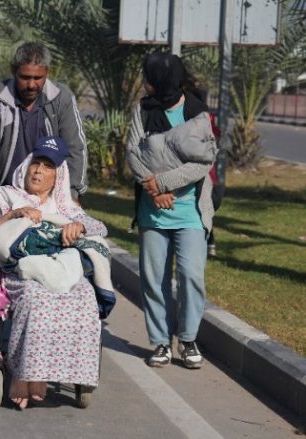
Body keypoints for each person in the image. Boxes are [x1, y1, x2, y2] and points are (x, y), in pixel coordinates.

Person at [0, 138, 107, 410]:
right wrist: (13, 215)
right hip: (20, 272)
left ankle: (60, 372)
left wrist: (78, 226)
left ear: (58, 176)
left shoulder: (64, 206)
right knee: (36, 299)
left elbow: (99, 228)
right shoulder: (6, 196)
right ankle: (25, 374)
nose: (38, 171)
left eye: (47, 167)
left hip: (60, 269)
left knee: (85, 296)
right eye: (36, 163)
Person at [125, 52, 217, 369]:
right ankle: (161, 342)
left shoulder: (197, 112)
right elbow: (133, 153)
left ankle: (188, 339)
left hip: (190, 211)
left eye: (150, 78)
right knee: (154, 280)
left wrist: (163, 182)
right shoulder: (144, 110)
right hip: (153, 213)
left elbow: (204, 162)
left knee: (191, 275)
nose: (147, 83)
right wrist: (153, 191)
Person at [0, 42, 88, 200]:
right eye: (25, 78)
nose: (31, 85)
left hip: (50, 198)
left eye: (38, 78)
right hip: (5, 195)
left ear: (47, 72)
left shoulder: (62, 99)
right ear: (13, 71)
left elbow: (76, 148)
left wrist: (72, 193)